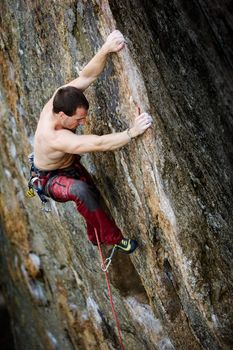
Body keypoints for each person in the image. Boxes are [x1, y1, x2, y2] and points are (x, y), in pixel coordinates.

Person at [33, 30, 152, 254]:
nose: (83, 122)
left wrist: (106, 48)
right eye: (79, 119)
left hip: (67, 164)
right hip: (50, 178)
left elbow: (87, 76)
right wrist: (132, 132)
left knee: (92, 195)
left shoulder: (61, 97)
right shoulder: (55, 137)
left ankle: (93, 235)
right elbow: (98, 144)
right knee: (80, 190)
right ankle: (113, 238)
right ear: (62, 116)